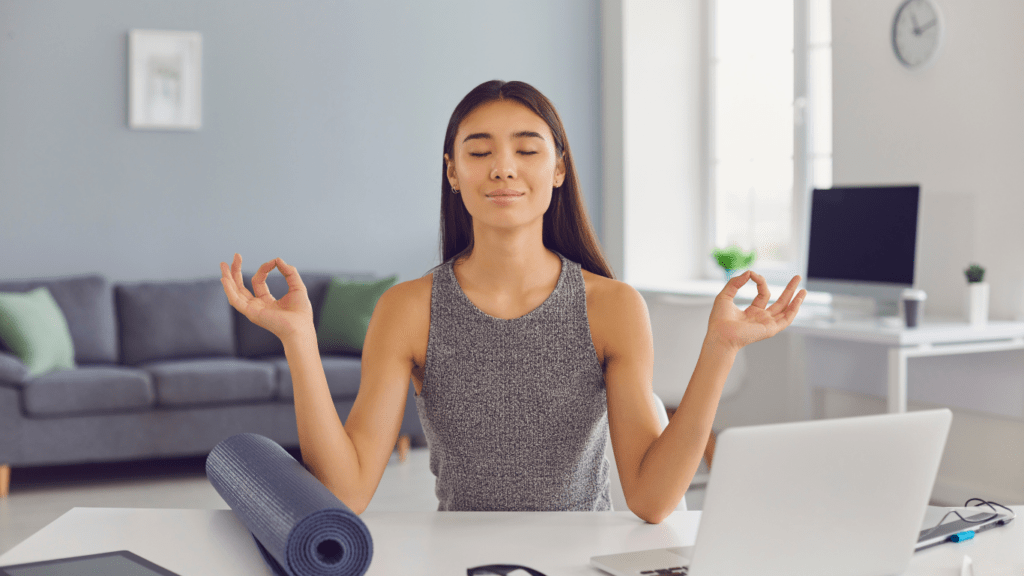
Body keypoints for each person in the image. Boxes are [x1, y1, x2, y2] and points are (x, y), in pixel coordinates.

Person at [220, 79, 806, 524]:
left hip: (582, 556)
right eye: (479, 152)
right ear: (452, 172)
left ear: (557, 169)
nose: (503, 168)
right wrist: (299, 340)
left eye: (527, 150)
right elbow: (346, 492)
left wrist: (720, 347)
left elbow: (653, 501)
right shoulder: (409, 308)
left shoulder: (613, 307)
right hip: (465, 557)